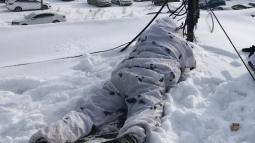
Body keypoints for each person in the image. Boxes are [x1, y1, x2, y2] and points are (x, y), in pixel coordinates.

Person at [29, 17, 196, 143]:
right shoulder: (179, 41)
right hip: (150, 78)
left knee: (89, 111)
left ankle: (52, 135)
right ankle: (130, 137)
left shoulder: (144, 37)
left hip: (122, 76)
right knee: (145, 111)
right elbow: (191, 64)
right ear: (175, 30)